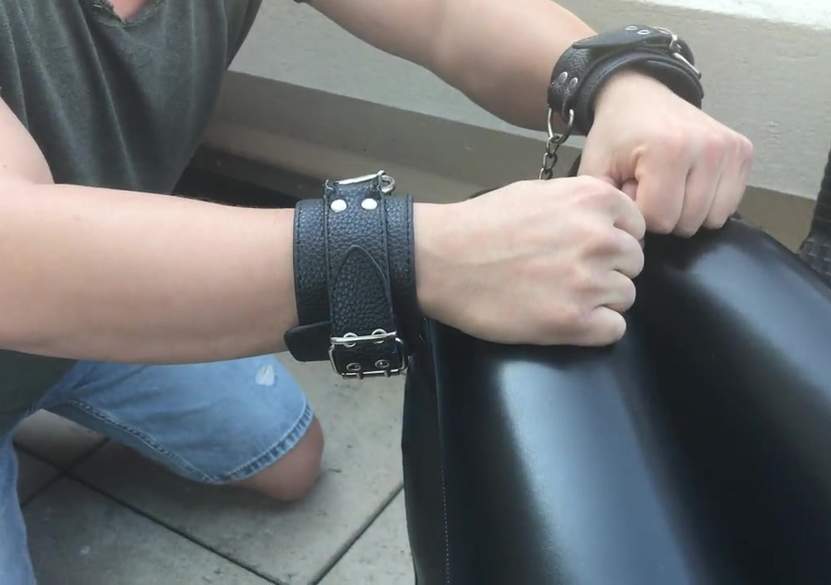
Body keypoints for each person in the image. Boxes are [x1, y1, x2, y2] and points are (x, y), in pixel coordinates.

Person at [0, 0, 753, 581]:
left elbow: (445, 13)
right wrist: (418, 255)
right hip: (28, 289)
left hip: (88, 301)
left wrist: (614, 77)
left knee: (289, 456)